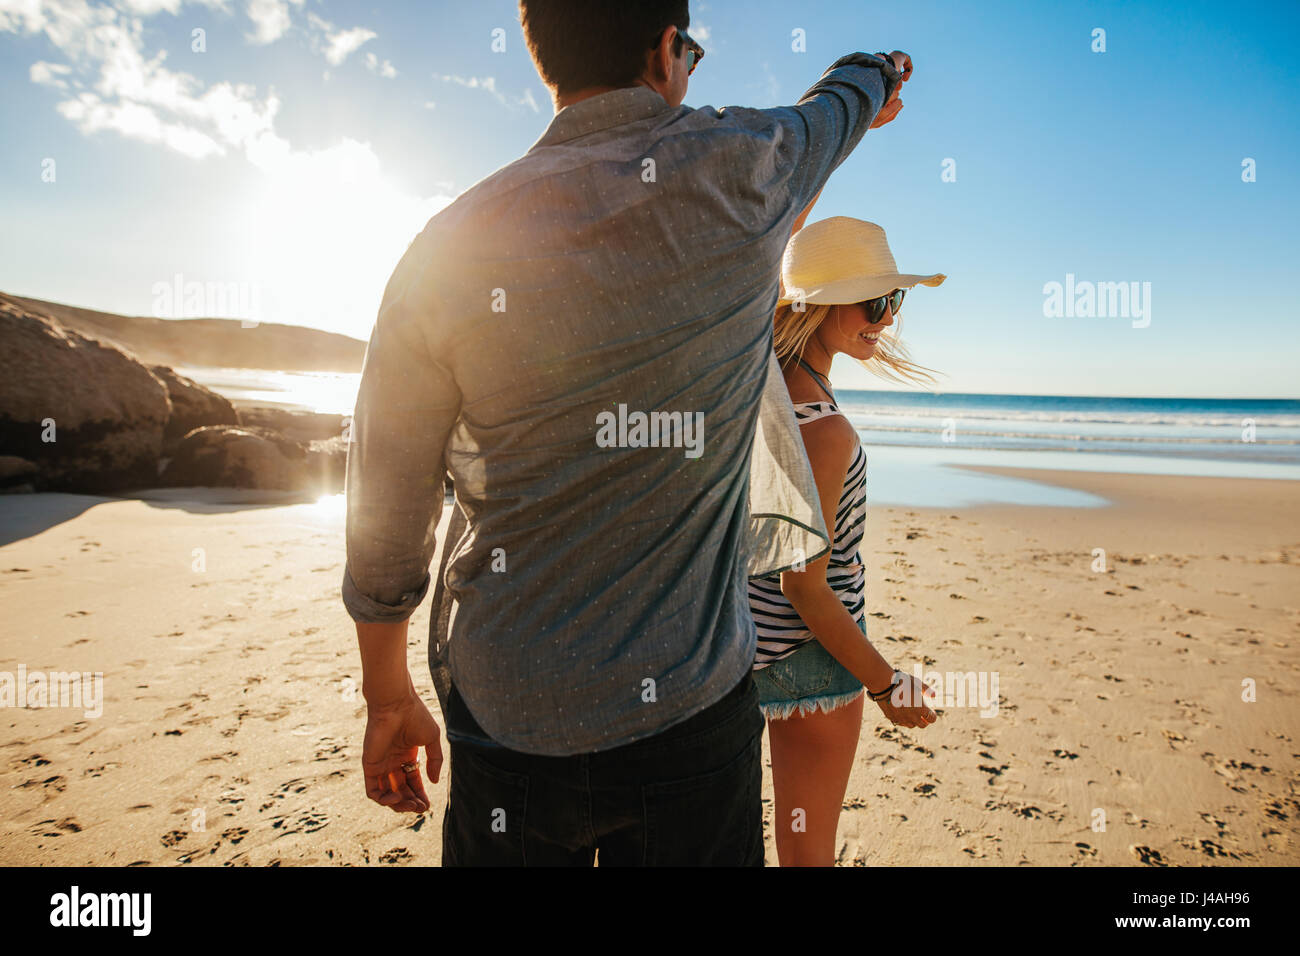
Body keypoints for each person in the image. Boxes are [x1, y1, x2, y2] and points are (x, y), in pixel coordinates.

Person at [342, 0, 912, 866]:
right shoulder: (741, 168)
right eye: (692, 53)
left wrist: (386, 695)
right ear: (667, 49)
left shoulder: (447, 245)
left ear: (547, 60)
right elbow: (837, 105)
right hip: (689, 710)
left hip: (510, 707)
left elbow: (388, 492)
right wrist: (878, 74)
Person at [749, 215, 945, 866]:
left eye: (895, 301)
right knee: (808, 856)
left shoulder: (755, 392)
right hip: (811, 662)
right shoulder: (823, 429)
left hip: (739, 652)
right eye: (875, 300)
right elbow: (804, 585)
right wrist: (888, 685)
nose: (886, 318)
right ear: (819, 305)